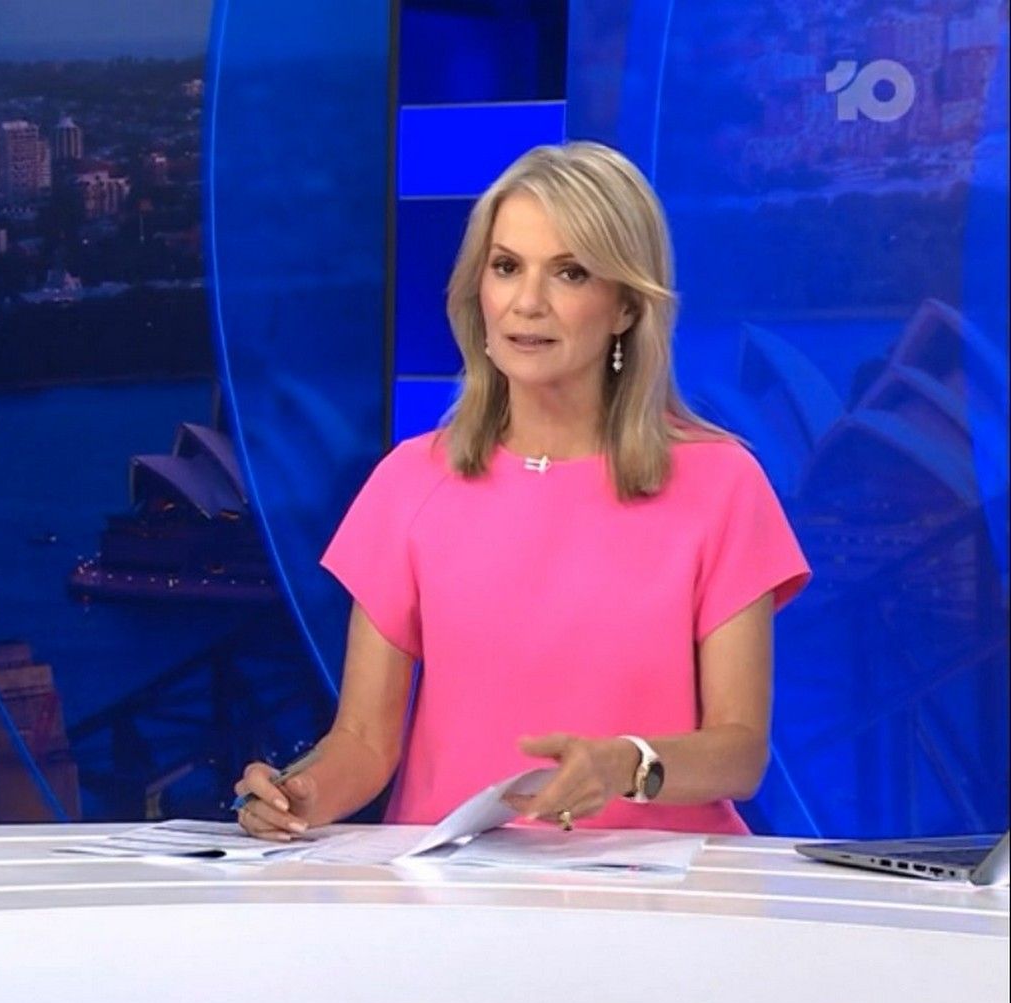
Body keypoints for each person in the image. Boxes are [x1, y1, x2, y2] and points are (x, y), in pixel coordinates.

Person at [236, 142, 809, 839]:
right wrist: (298, 795)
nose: (528, 303)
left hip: (660, 885)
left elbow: (739, 752)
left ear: (627, 307)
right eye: (506, 267)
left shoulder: (721, 484)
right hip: (456, 884)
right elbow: (363, 741)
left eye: (570, 273)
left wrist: (624, 764)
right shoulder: (409, 482)